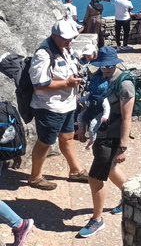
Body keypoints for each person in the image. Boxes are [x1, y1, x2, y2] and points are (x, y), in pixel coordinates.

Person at [78, 47, 135, 238]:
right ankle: (132, 199)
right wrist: (83, 127)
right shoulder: (97, 77)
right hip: (100, 134)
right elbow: (92, 105)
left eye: (110, 65)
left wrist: (123, 147)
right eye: (103, 66)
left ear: (116, 63)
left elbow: (127, 118)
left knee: (95, 177)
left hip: (112, 137)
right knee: (110, 169)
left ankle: (97, 220)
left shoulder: (124, 84)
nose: (107, 69)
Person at [28, 20, 88, 191]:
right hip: (49, 107)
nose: (70, 42)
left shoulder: (64, 48)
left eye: (71, 38)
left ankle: (75, 171)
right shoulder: (43, 54)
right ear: (54, 36)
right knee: (45, 141)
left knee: (68, 137)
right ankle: (35, 177)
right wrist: (67, 84)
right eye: (66, 38)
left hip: (67, 104)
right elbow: (39, 84)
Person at [76, 72, 110, 150]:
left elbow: (107, 108)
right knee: (80, 116)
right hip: (89, 111)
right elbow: (85, 98)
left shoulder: (103, 99)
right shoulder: (90, 95)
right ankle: (81, 128)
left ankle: (92, 140)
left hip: (98, 114)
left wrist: (105, 116)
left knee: (92, 127)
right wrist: (79, 100)